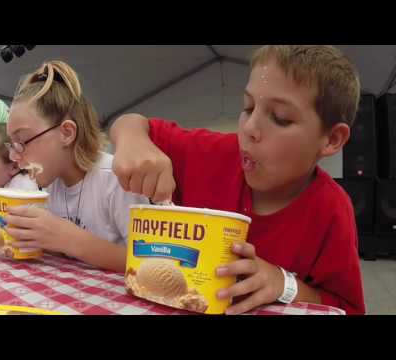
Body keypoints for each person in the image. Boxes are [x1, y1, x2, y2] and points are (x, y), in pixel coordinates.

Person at [109, 45, 366, 315]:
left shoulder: (331, 210)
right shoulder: (214, 154)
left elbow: (346, 308)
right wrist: (132, 141)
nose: (250, 128)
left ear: (332, 139)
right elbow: (130, 123)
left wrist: (284, 284)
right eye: (248, 107)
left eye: (280, 118)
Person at [2, 60, 148, 273]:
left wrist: (69, 239)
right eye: (12, 144)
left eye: (22, 142)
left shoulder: (116, 179)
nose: (14, 156)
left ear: (66, 133)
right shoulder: (49, 184)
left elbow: (147, 262)